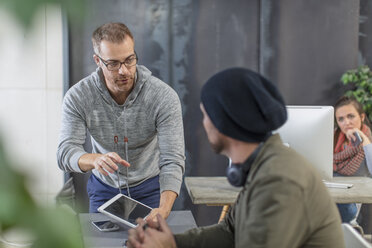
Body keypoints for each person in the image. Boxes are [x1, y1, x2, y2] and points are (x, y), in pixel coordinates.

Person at [128, 68, 344, 248]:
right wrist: (171, 242)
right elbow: (230, 232)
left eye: (205, 115)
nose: (202, 125)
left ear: (223, 121)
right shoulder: (262, 167)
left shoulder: (279, 179)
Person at [57, 22, 185, 220]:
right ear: (97, 61)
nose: (124, 71)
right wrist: (94, 159)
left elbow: (172, 160)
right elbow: (65, 153)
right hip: (104, 187)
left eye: (129, 60)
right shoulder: (78, 96)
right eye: (113, 64)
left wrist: (164, 209)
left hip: (151, 187)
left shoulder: (163, 97)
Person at [333, 96, 372, 223]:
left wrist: (364, 139)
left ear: (361, 117)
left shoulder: (368, 143)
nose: (346, 123)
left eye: (351, 116)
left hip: (349, 204)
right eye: (341, 119)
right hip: (329, 196)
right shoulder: (331, 138)